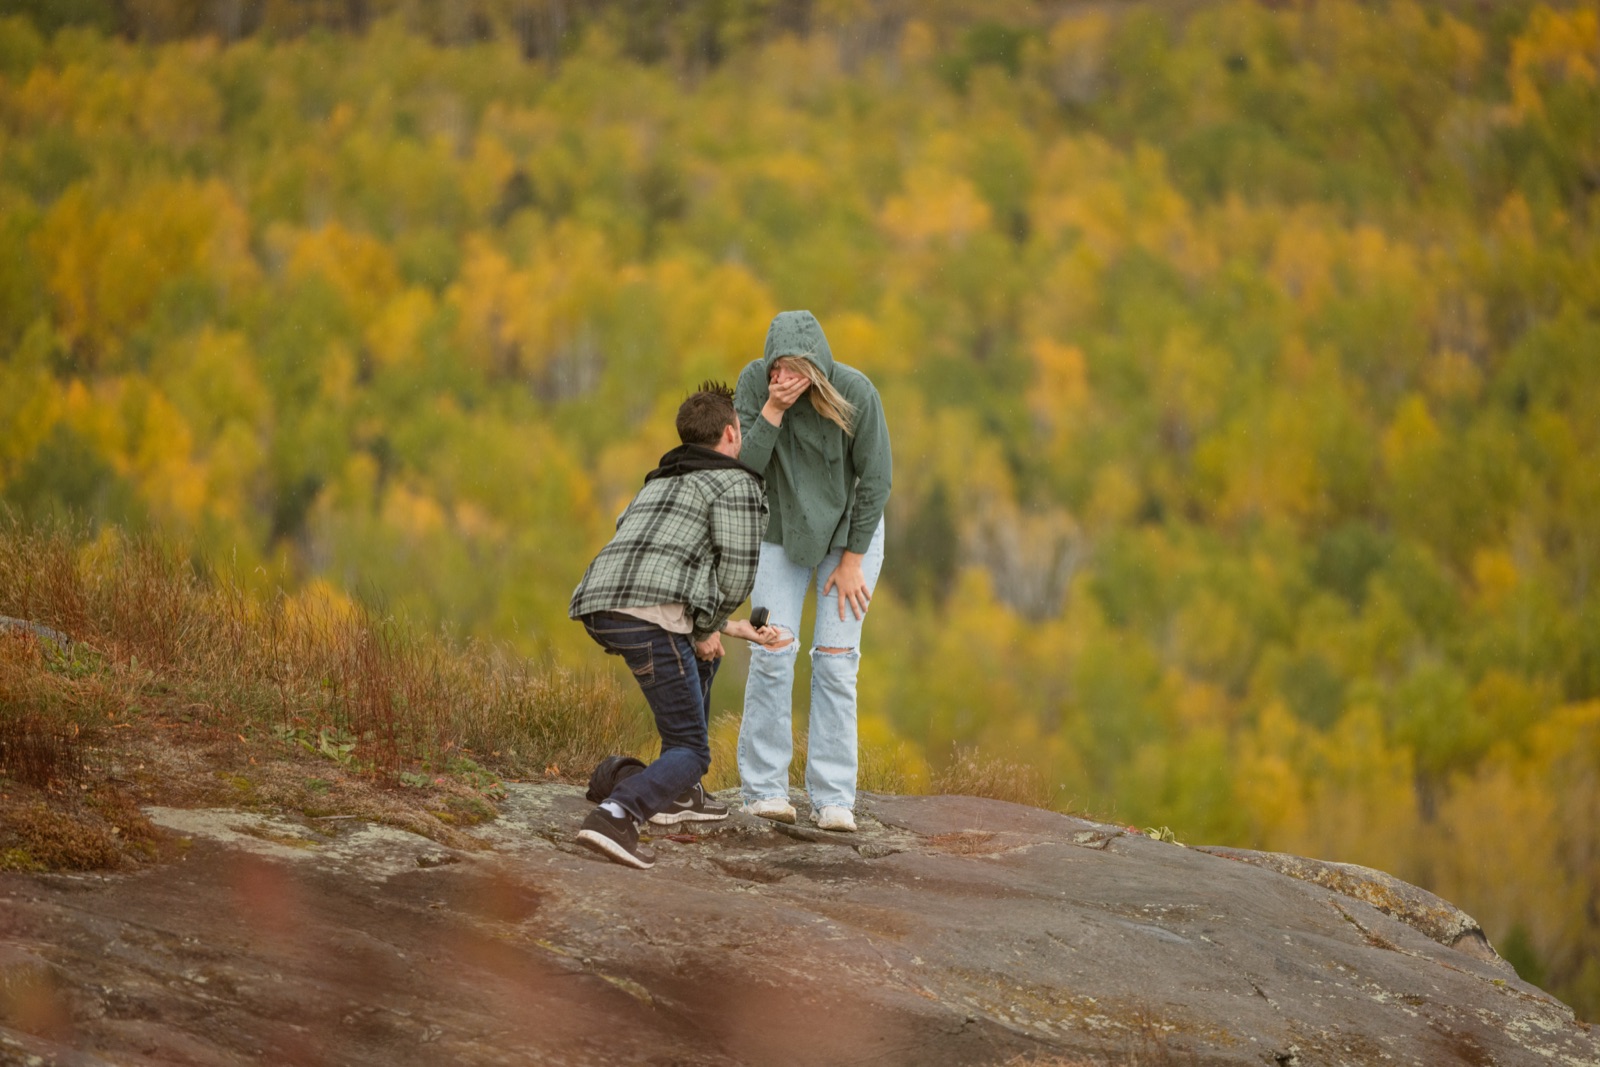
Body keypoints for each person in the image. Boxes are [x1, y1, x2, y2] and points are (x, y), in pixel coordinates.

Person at [570, 381, 785, 869]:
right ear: (732, 434)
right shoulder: (737, 483)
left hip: (602, 604)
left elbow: (652, 558)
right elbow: (734, 574)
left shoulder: (660, 479)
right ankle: (617, 813)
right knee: (692, 748)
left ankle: (664, 790)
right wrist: (709, 623)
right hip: (651, 615)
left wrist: (717, 629)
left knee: (696, 658)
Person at [734, 310, 891, 833]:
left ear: (817, 367)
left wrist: (850, 561)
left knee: (835, 660)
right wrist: (773, 411)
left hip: (850, 534)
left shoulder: (855, 392)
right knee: (772, 648)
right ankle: (764, 791)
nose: (784, 376)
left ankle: (832, 798)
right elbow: (742, 470)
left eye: (796, 368)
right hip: (779, 526)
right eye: (777, 365)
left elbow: (876, 481)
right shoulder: (754, 384)